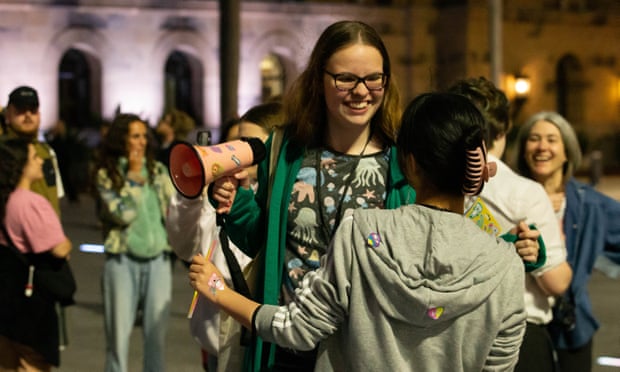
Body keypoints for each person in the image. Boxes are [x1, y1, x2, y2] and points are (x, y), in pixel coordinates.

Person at [190, 92, 527, 371]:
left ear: (408, 163)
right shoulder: (506, 266)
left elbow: (298, 328)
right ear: (477, 164)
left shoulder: (363, 233)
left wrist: (218, 289)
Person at [210, 20, 416, 371]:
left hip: (365, 352)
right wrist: (235, 202)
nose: (361, 91)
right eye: (346, 78)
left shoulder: (404, 159)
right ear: (319, 80)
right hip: (286, 347)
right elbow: (260, 238)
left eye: (373, 78)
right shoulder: (286, 149)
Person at [448, 77, 572, 371]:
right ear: (502, 132)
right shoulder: (524, 191)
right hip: (518, 335)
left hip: (452, 333)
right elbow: (556, 282)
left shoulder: (434, 182)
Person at [166, 101, 283, 372]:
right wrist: (193, 195)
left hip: (263, 337)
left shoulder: (280, 198)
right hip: (217, 340)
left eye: (252, 145)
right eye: (237, 141)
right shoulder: (218, 193)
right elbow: (185, 246)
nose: (238, 151)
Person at [514, 111, 620, 372]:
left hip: (572, 327)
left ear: (567, 151)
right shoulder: (508, 198)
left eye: (552, 139)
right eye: (534, 139)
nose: (542, 147)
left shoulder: (589, 204)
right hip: (521, 326)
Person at [94, 113, 175, 372]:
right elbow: (123, 213)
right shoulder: (108, 175)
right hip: (122, 260)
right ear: (122, 140)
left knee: (156, 337)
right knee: (118, 337)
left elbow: (172, 212)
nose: (142, 142)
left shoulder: (158, 171)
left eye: (144, 136)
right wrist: (130, 179)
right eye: (135, 136)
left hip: (159, 260)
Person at [0, 137, 73, 370]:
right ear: (21, 165)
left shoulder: (5, 200)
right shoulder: (32, 203)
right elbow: (59, 248)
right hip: (31, 305)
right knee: (32, 362)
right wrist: (68, 244)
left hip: (5, 297)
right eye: (33, 157)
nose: (40, 161)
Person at [2, 86, 65, 216]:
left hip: (48, 233)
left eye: (33, 110)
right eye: (21, 110)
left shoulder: (47, 152)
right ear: (8, 115)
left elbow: (55, 196)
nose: (28, 115)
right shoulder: (3, 153)